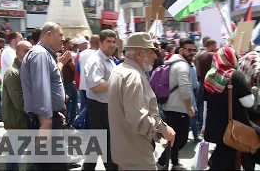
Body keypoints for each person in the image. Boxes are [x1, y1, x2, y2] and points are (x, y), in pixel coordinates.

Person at [108, 32, 175, 170]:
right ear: (139, 54)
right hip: (136, 154)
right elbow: (140, 121)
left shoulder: (120, 70)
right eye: (151, 52)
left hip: (126, 150)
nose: (155, 57)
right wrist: (163, 128)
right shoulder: (133, 76)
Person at [20, 22, 69, 170]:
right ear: (49, 35)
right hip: (43, 121)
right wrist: (46, 121)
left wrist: (54, 112)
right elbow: (41, 89)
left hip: (48, 117)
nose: (63, 38)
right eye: (60, 35)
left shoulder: (44, 54)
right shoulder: (40, 54)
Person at [203, 46, 255, 170]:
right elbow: (249, 103)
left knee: (225, 157)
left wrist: (204, 127)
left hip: (214, 126)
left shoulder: (209, 75)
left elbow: (205, 105)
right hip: (233, 128)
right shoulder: (235, 76)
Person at [157, 38, 196, 170]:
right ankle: (162, 161)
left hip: (170, 106)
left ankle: (174, 162)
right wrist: (189, 108)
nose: (192, 53)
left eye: (194, 50)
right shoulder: (182, 65)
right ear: (181, 50)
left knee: (174, 137)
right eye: (189, 50)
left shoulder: (173, 62)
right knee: (181, 139)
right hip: (178, 108)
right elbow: (185, 89)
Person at [82, 29, 118, 170]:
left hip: (107, 107)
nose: (112, 45)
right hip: (99, 108)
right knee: (106, 144)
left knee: (97, 142)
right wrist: (119, 82)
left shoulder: (109, 60)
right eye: (108, 41)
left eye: (114, 42)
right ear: (101, 43)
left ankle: (88, 167)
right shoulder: (96, 61)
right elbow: (96, 86)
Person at [2, 41, 32, 170]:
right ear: (17, 52)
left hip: (24, 120)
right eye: (26, 51)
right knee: (14, 157)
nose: (29, 54)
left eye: (30, 51)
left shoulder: (24, 69)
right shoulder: (13, 73)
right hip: (17, 122)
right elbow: (20, 102)